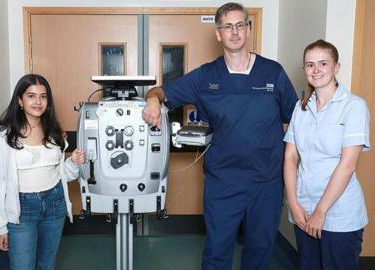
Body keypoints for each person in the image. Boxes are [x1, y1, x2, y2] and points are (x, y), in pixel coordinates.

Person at [142, 2, 298, 269]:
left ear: (248, 29)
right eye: (228, 26)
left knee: (260, 251)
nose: (234, 32)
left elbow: (295, 122)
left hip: (266, 182)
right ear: (218, 33)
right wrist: (152, 100)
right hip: (223, 182)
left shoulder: (274, 72)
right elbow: (160, 91)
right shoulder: (206, 76)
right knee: (217, 252)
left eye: (240, 25)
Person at [284, 39, 370, 270]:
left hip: (338, 213)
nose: (316, 70)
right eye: (310, 65)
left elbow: (348, 164)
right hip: (303, 208)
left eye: (323, 63)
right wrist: (293, 203)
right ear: (304, 70)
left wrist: (321, 212)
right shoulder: (300, 107)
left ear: (336, 67)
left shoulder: (354, 106)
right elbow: (290, 157)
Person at [0, 74, 85, 270]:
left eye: (43, 96)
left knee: (46, 265)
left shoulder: (54, 133)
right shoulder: (4, 137)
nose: (38, 101)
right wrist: (0, 227)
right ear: (20, 101)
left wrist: (72, 162)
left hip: (55, 203)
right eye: (31, 96)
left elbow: (60, 175)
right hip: (22, 208)